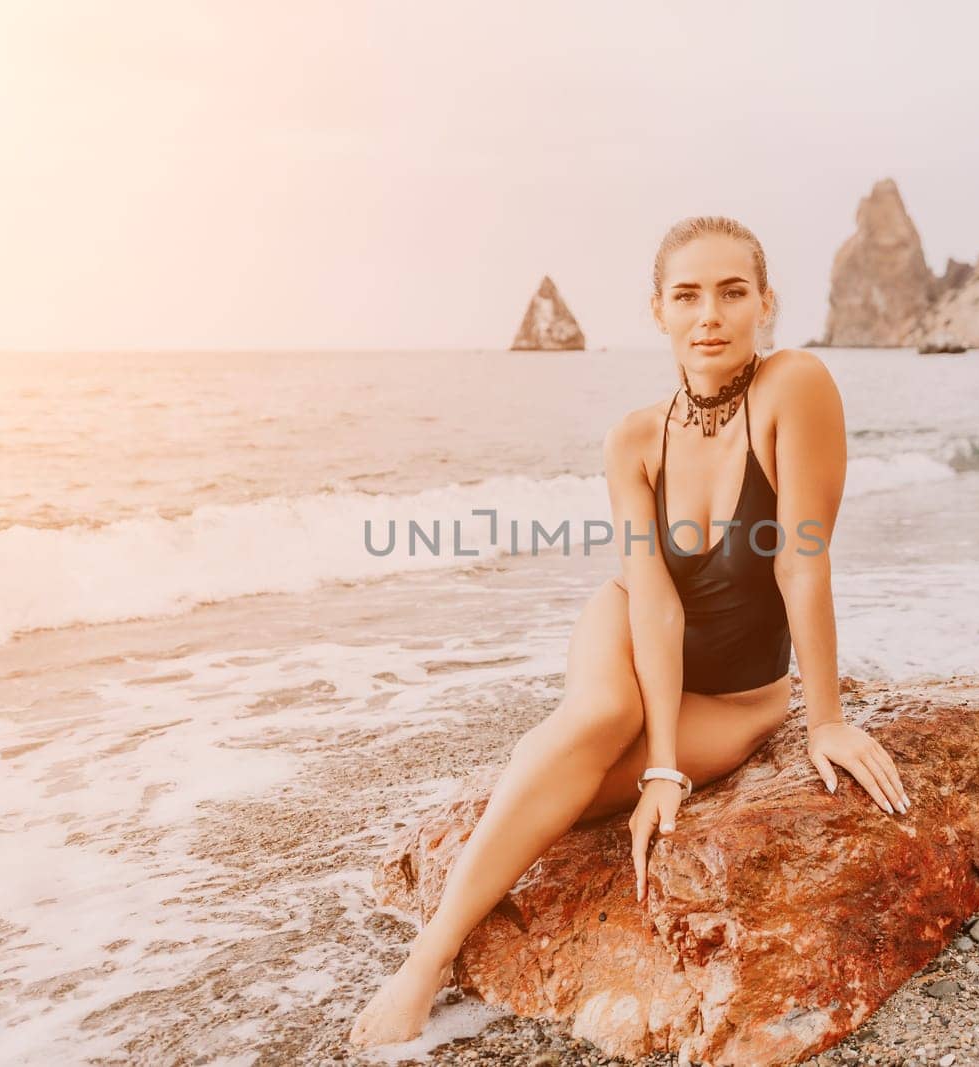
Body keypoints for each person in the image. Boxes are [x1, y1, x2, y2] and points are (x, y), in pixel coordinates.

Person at [348, 216, 909, 1048]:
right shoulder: (634, 439)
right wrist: (663, 766)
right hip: (628, 627)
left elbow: (802, 563)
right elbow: (652, 597)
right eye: (687, 295)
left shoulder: (797, 386)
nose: (709, 315)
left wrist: (822, 717)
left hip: (738, 691)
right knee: (599, 718)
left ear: (765, 304)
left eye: (731, 292)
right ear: (658, 311)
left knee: (575, 796)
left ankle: (500, 821)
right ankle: (427, 961)